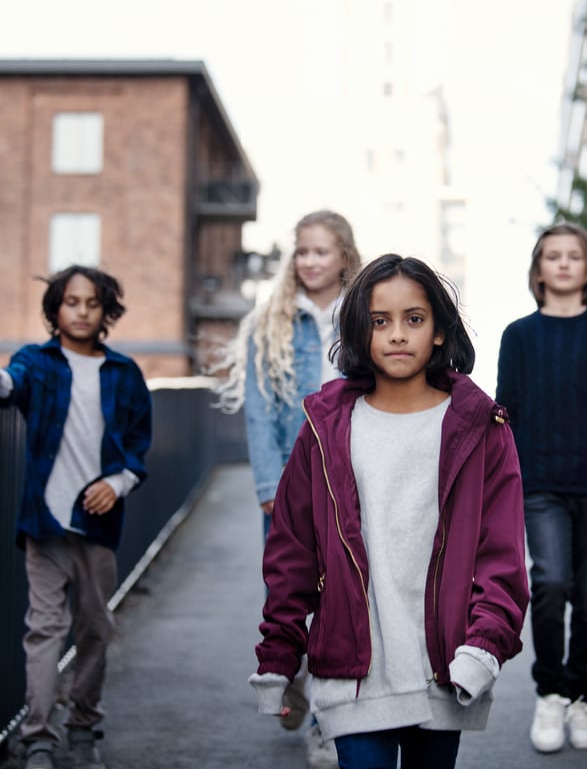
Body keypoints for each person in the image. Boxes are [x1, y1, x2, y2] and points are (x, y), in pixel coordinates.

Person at [248, 254, 529, 769]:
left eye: (414, 319)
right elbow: (292, 552)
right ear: (361, 332)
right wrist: (279, 656)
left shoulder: (481, 428)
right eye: (380, 321)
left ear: (440, 331)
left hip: (444, 671)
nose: (397, 334)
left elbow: (502, 556)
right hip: (352, 677)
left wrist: (483, 646)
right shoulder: (325, 428)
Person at [214, 210, 361, 768]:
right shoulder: (268, 321)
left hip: (349, 483)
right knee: (292, 598)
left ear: (344, 254)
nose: (310, 261)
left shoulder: (366, 314)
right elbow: (258, 411)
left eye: (321, 251)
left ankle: (325, 724)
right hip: (289, 487)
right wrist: (267, 483)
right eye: (302, 251)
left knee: (342, 604)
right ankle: (296, 676)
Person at [495, 221, 587, 754]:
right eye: (552, 256)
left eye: (573, 256)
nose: (562, 263)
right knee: (552, 582)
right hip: (540, 487)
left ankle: (582, 698)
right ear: (538, 270)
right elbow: (504, 414)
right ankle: (550, 695)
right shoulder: (518, 336)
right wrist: (502, 485)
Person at [0, 265, 152, 769]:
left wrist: (117, 483)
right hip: (44, 523)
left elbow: (137, 446)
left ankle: (84, 725)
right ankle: (37, 736)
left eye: (92, 303)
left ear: (106, 310)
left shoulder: (124, 373)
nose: (82, 311)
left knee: (93, 627)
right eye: (71, 302)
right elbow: (8, 384)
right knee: (44, 629)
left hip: (98, 523)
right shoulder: (35, 362)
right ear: (55, 309)